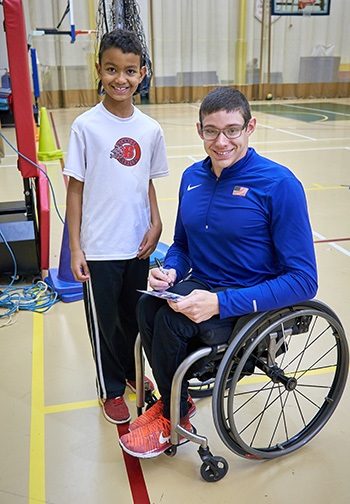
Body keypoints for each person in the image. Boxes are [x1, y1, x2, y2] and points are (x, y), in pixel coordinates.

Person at [119, 86, 318, 457]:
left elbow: (305, 280)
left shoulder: (279, 184)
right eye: (211, 131)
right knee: (148, 306)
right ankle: (175, 406)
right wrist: (172, 273)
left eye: (232, 130)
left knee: (172, 323)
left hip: (250, 298)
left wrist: (220, 304)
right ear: (199, 131)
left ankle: (170, 415)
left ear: (250, 127)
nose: (221, 141)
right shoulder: (192, 178)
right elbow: (181, 245)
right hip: (205, 283)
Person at [63, 28, 169, 424]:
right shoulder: (86, 127)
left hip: (137, 245)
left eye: (129, 70)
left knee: (135, 317)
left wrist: (156, 222)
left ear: (142, 73)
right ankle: (110, 388)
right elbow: (75, 190)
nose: (120, 79)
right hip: (100, 248)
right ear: (99, 70)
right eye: (111, 70)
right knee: (105, 324)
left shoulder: (150, 129)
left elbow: (147, 182)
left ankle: (131, 372)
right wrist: (76, 248)